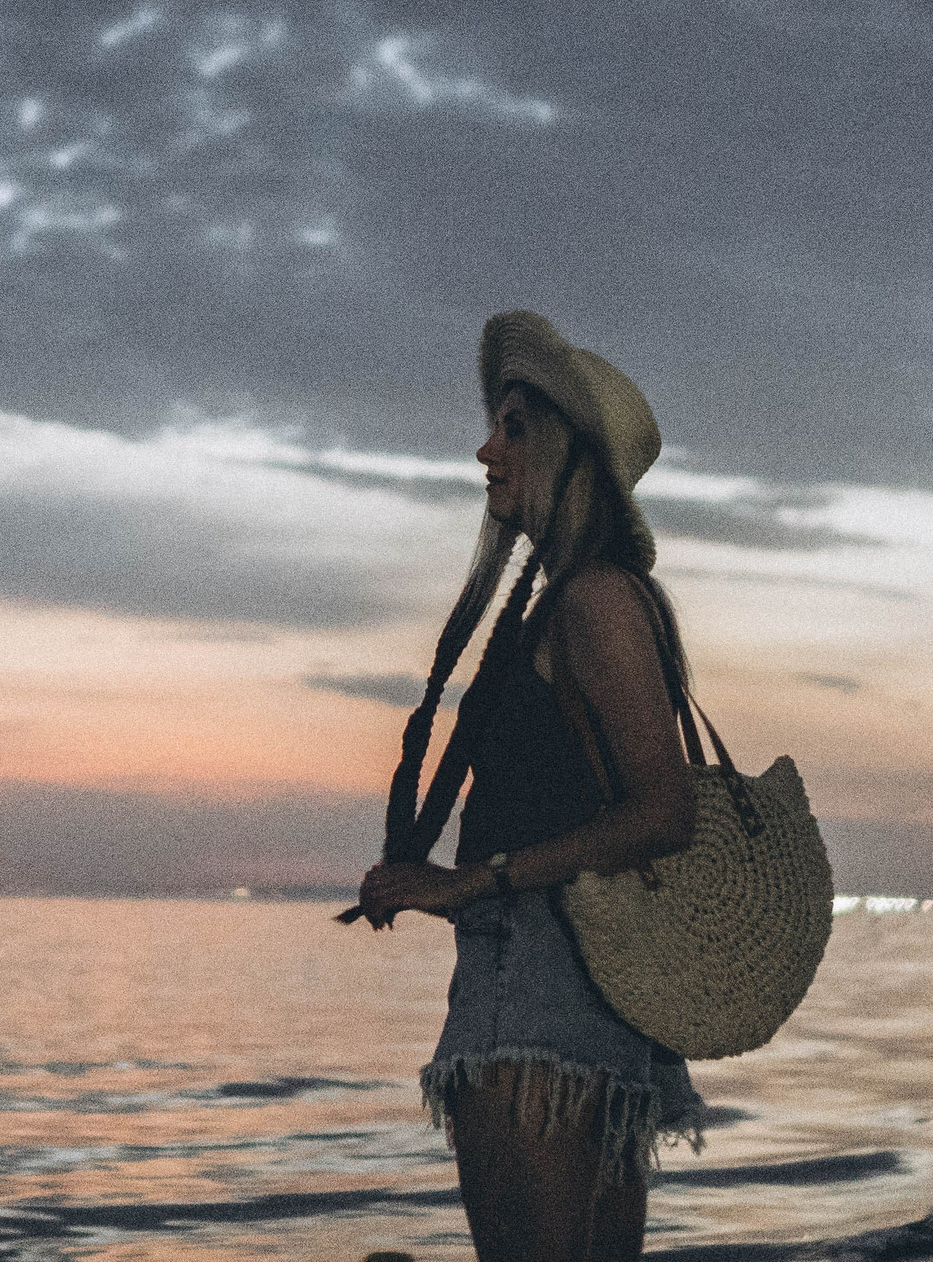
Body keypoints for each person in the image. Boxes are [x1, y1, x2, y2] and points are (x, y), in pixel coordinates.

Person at [352, 311, 704, 1262]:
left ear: (566, 450)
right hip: (587, 990)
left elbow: (665, 810)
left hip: (536, 992)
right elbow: (581, 808)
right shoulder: (583, 597)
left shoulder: (591, 596)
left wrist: (474, 881)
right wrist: (439, 882)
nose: (485, 449)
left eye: (513, 426)